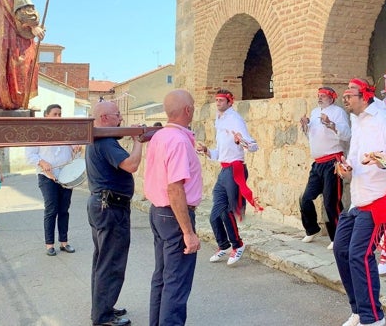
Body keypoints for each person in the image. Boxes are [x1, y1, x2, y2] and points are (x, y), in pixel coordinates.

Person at [334, 79, 386, 326]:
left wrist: (382, 162)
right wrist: (345, 170)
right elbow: (353, 165)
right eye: (345, 95)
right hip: (357, 199)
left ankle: (373, 318)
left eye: (350, 95)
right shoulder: (356, 121)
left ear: (365, 97)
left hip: (379, 199)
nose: (345, 99)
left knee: (359, 254)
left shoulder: (384, 122)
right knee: (341, 250)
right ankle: (358, 310)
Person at [144, 90, 203, 326]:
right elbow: (175, 188)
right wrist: (188, 232)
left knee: (162, 277)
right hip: (174, 214)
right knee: (176, 282)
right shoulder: (178, 141)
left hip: (158, 212)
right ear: (188, 110)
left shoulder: (160, 136)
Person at [86, 100, 144, 326]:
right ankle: (103, 316)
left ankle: (102, 308)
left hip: (101, 206)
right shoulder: (107, 141)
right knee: (111, 263)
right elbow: (131, 165)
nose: (121, 118)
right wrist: (138, 142)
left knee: (102, 260)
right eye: (117, 114)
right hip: (110, 208)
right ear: (103, 119)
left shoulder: (98, 139)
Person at [196, 89, 261, 266]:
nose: (218, 103)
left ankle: (238, 245)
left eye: (221, 100)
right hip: (224, 170)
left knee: (228, 213)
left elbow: (253, 146)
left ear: (230, 102)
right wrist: (207, 151)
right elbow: (220, 153)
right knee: (215, 215)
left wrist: (242, 142)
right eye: (216, 100)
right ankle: (224, 245)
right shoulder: (220, 120)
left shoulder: (235, 119)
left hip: (235, 169)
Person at [299, 86, 351, 249]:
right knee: (306, 198)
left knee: (331, 201)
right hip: (318, 163)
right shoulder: (315, 112)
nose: (320, 98)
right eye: (318, 95)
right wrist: (305, 126)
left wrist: (331, 124)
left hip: (333, 162)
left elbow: (347, 134)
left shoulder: (338, 112)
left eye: (323, 96)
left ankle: (338, 237)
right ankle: (312, 228)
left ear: (332, 98)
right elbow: (312, 137)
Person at [25, 104, 81, 256]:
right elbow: (30, 155)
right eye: (55, 114)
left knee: (64, 209)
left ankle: (64, 242)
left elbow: (75, 147)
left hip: (66, 176)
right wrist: (42, 162)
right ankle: (49, 244)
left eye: (60, 114)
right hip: (47, 176)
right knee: (51, 209)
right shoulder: (37, 133)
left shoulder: (66, 131)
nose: (58, 117)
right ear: (46, 115)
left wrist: (77, 147)